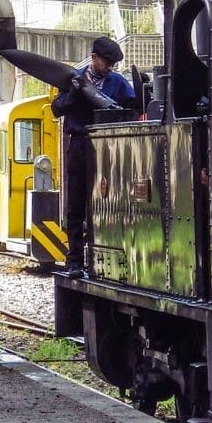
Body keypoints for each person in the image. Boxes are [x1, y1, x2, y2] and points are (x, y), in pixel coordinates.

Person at [51, 36, 135, 278]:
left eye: (113, 64)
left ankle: (108, 257)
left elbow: (133, 106)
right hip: (80, 143)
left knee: (110, 203)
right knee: (76, 205)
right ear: (94, 58)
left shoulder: (118, 83)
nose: (110, 68)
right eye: (107, 63)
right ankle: (75, 261)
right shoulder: (73, 79)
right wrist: (73, 94)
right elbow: (56, 109)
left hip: (109, 147)